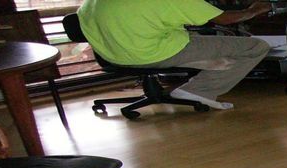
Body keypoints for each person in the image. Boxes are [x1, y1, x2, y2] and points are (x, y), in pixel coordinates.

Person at [77, 0, 274, 110]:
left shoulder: (91, 2)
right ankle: (199, 91)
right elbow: (225, 19)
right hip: (155, 54)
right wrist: (254, 10)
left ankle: (207, 62)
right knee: (255, 46)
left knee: (191, 35)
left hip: (114, 57)